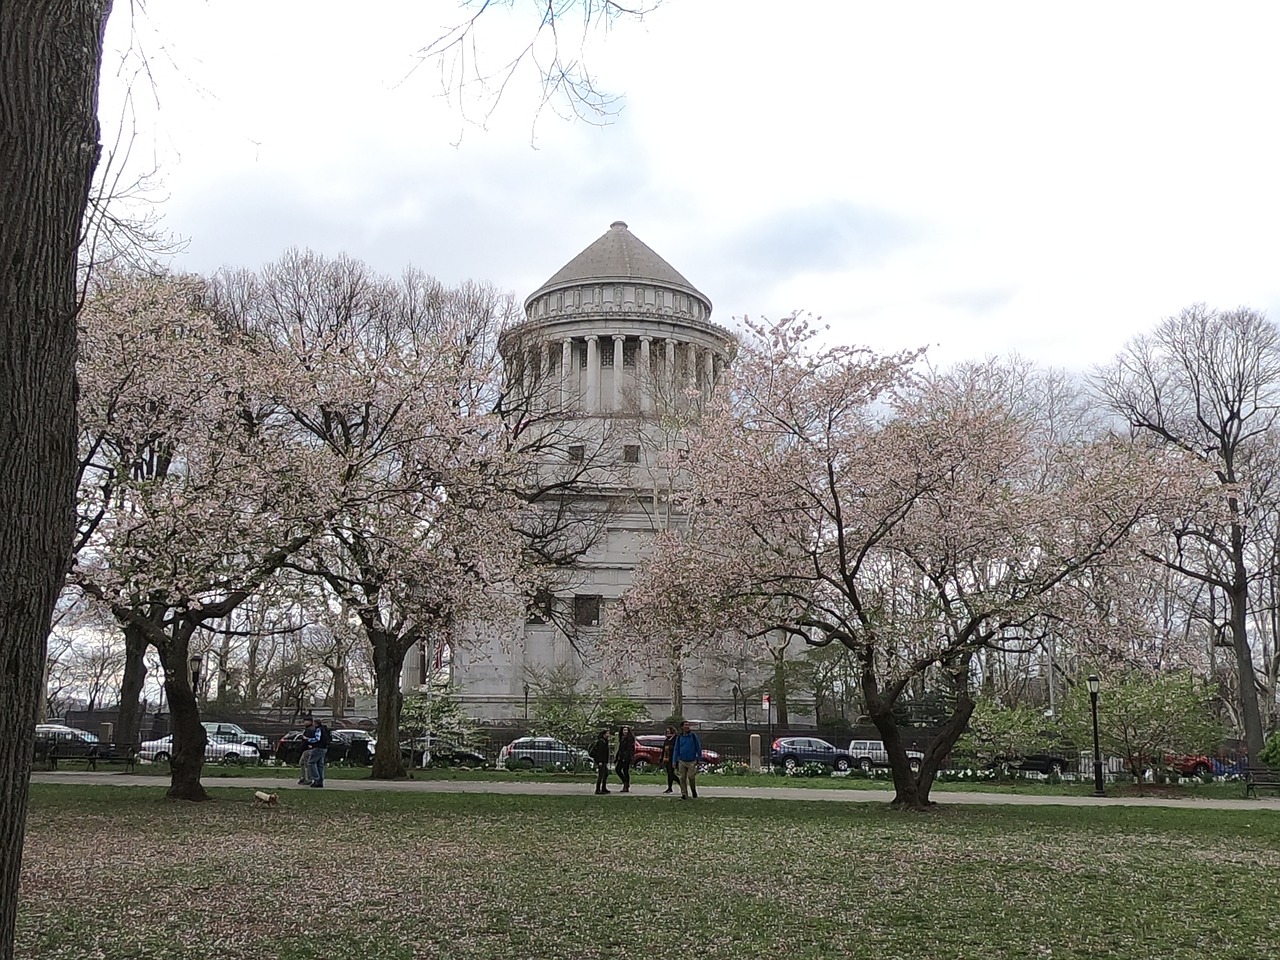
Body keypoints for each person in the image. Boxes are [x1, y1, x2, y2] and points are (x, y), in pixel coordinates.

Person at [673, 720, 702, 800]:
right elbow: (676, 749)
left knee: (691, 776)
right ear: (682, 727)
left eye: (688, 725)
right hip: (682, 760)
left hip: (692, 760)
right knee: (682, 778)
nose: (687, 726)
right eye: (685, 725)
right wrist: (674, 761)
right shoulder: (679, 737)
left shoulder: (693, 736)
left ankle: (693, 790)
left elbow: (698, 747)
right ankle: (684, 794)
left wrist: (699, 758)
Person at [308, 718, 331, 788]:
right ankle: (320, 780)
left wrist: (308, 739)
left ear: (316, 724)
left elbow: (317, 738)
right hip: (324, 748)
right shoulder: (325, 729)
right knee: (320, 764)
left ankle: (316, 779)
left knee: (311, 762)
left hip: (318, 747)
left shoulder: (318, 729)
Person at [615, 725, 636, 793]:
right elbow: (620, 749)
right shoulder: (622, 738)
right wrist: (617, 757)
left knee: (625, 771)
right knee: (618, 769)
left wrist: (627, 757)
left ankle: (626, 785)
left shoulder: (630, 739)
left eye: (626, 730)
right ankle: (625, 782)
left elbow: (629, 749)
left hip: (626, 757)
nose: (625, 732)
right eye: (624, 730)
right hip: (621, 757)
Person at [589, 730, 611, 794]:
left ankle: (603, 788)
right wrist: (600, 761)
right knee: (601, 775)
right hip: (601, 761)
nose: (608, 734)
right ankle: (598, 789)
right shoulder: (601, 742)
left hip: (604, 761)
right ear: (604, 734)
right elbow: (600, 753)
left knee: (606, 774)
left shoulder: (605, 741)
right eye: (607, 733)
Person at [660, 725, 678, 793]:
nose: (667, 733)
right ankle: (669, 788)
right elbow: (664, 749)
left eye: (669, 731)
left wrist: (671, 747)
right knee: (669, 773)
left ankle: (680, 783)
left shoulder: (676, 739)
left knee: (671, 773)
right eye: (667, 732)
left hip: (673, 758)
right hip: (667, 758)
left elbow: (676, 748)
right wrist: (661, 758)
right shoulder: (666, 740)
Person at [298, 717, 315, 785]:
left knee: (305, 763)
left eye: (306, 721)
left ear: (310, 722)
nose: (304, 722)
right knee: (302, 763)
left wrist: (309, 744)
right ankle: (304, 777)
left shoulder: (310, 730)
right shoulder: (309, 729)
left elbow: (308, 739)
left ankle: (307, 778)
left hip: (307, 749)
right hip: (306, 749)